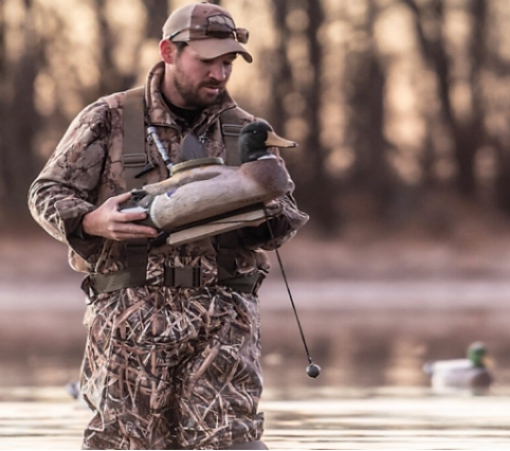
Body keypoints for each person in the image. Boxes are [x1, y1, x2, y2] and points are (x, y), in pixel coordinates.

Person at [28, 3, 308, 449]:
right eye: (208, 60)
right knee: (122, 444)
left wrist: (268, 209)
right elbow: (45, 194)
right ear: (168, 52)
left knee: (230, 442)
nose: (219, 73)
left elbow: (284, 223)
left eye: (228, 63)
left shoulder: (248, 130)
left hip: (223, 322)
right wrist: (92, 220)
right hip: (129, 320)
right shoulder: (108, 117)